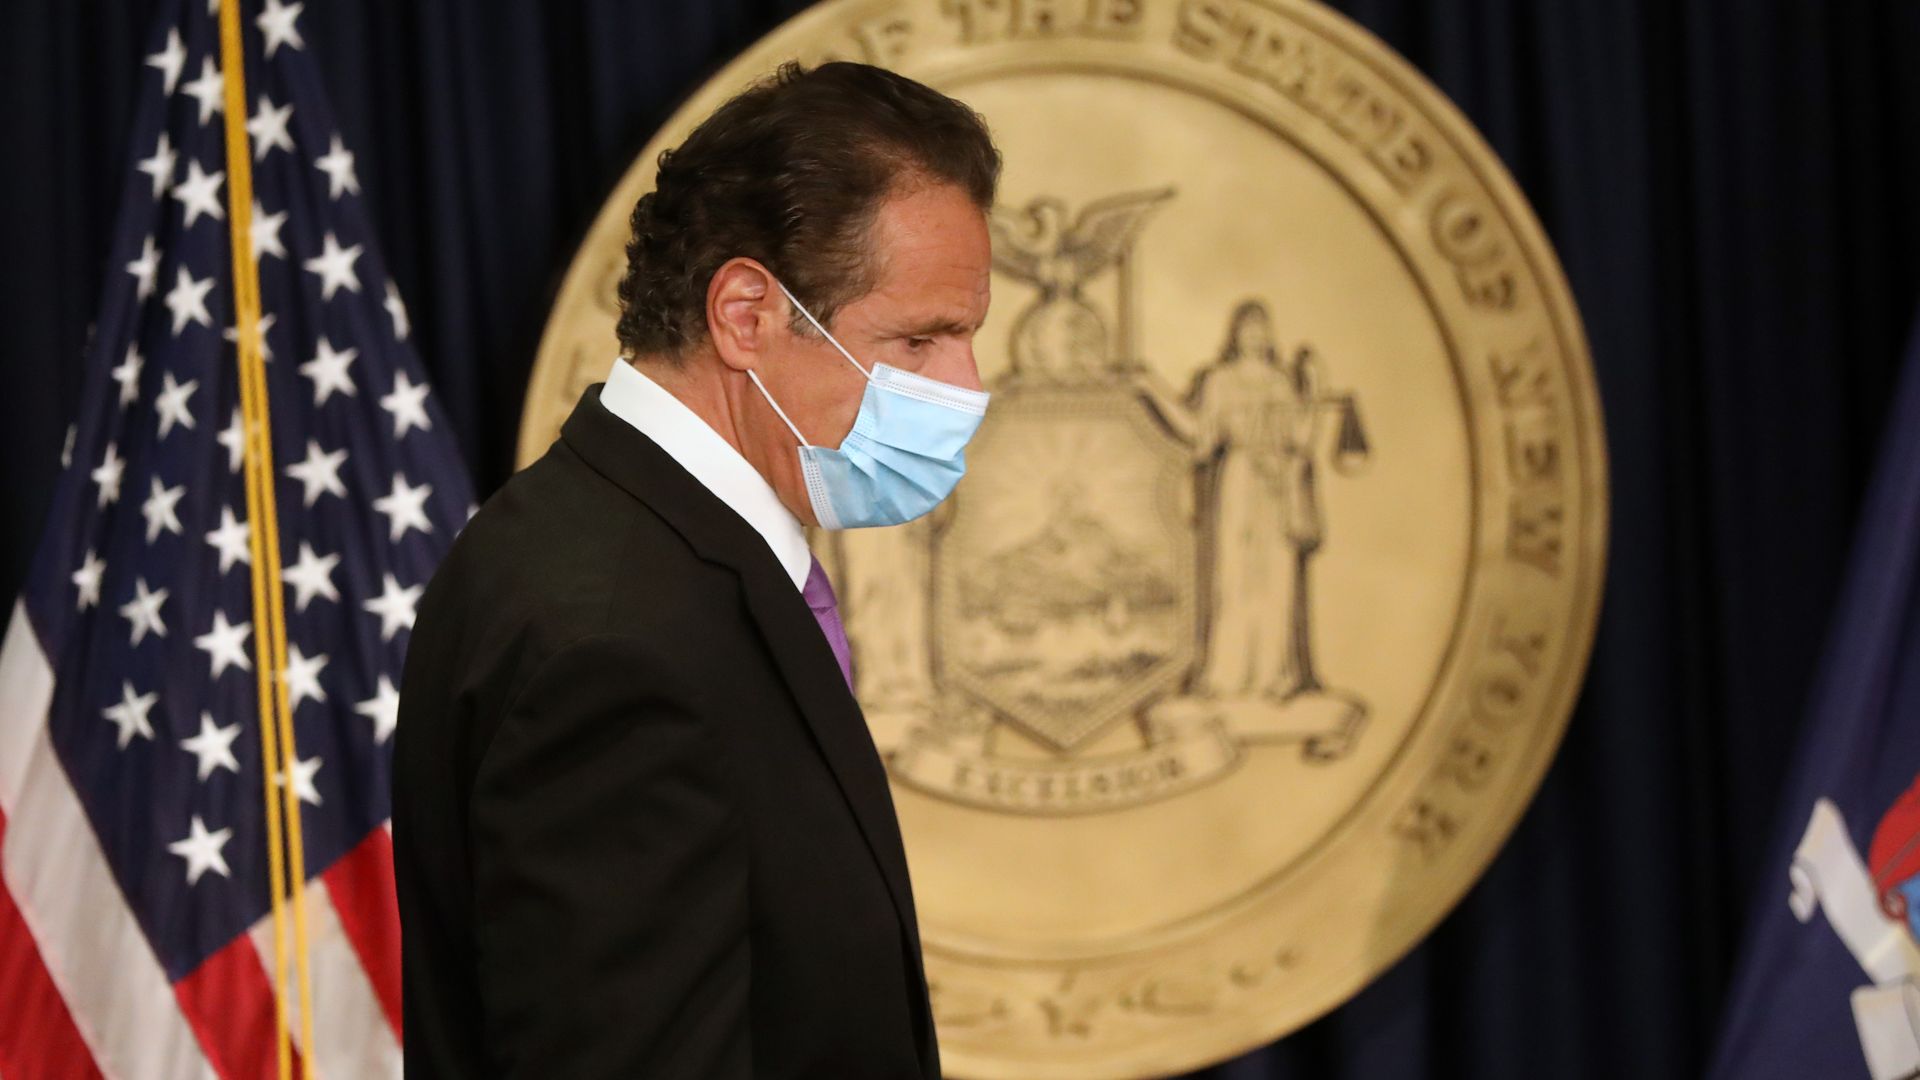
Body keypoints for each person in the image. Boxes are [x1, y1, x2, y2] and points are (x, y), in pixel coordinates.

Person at [391, 60, 1000, 1078]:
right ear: (747, 315)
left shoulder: (631, 544)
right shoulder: (615, 641)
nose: (967, 388)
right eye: (922, 339)